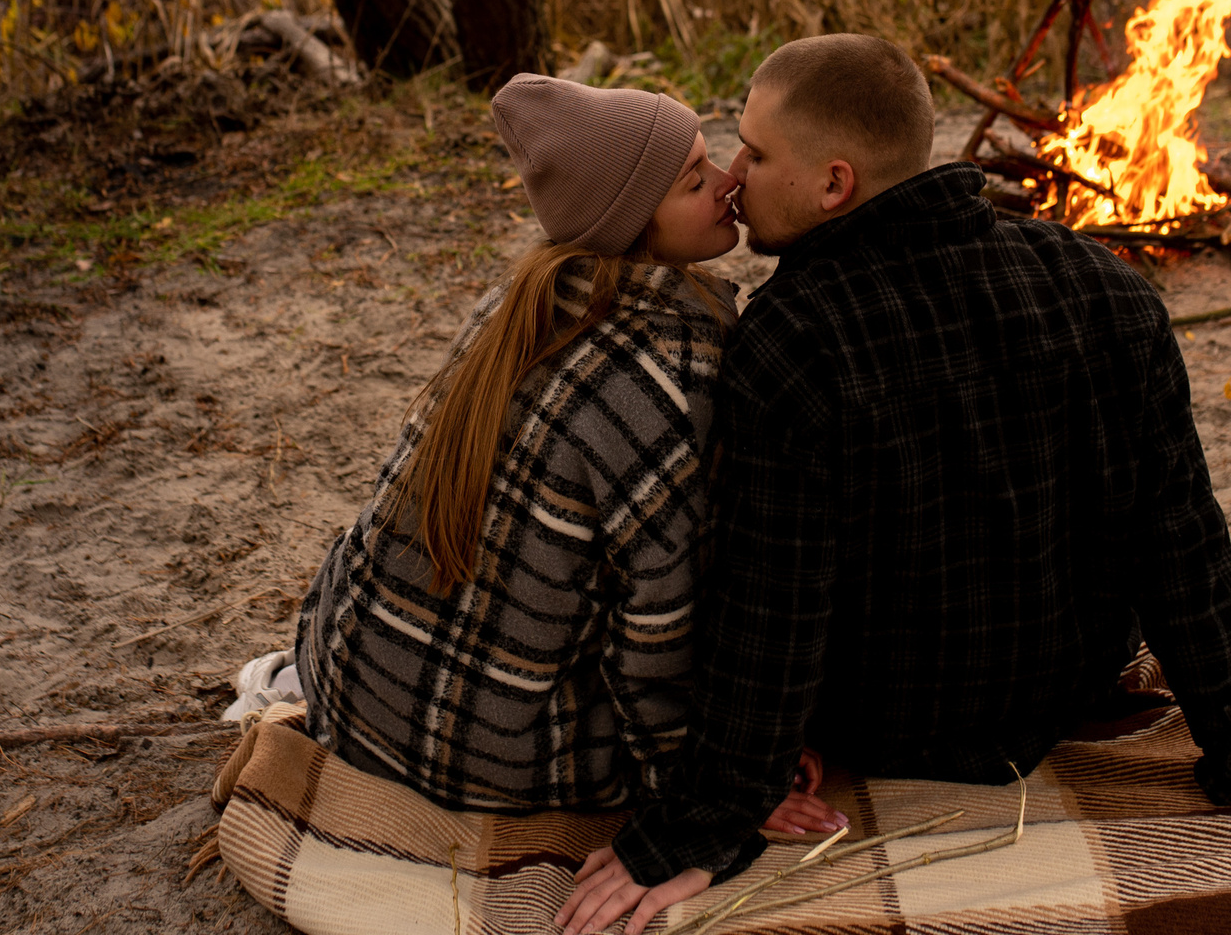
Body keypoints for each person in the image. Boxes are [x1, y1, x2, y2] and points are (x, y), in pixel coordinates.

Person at [561, 35, 1231, 934]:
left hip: (885, 725)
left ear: (835, 185)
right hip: (1070, 686)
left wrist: (706, 817)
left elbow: (774, 614)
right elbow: (1179, 539)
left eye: (755, 154)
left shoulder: (794, 337)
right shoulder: (1106, 285)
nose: (733, 176)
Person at [294, 73, 830, 827]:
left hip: (351, 684)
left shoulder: (516, 304)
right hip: (482, 758)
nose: (727, 181)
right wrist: (713, 783)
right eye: (692, 181)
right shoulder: (672, 379)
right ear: (633, 222)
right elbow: (660, 630)